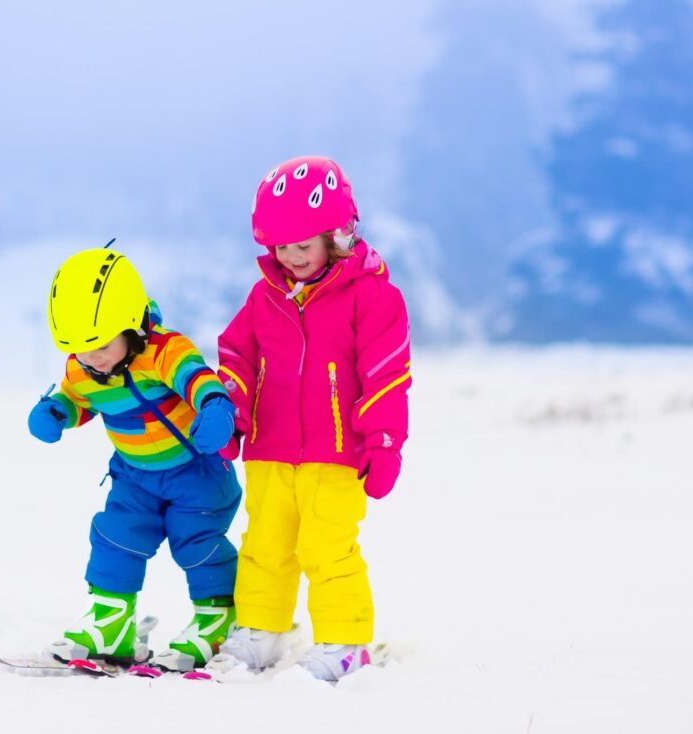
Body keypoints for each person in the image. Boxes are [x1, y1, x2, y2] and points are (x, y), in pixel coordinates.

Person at [210, 156, 412, 682]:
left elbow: (387, 373)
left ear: (337, 234)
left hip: (336, 452)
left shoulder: (372, 298)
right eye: (280, 247)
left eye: (303, 245)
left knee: (327, 548)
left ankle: (345, 641)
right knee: (265, 544)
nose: (291, 257)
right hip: (271, 448)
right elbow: (234, 352)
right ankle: (262, 629)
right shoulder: (265, 296)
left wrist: (384, 442)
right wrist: (231, 414)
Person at [28, 246, 242, 671]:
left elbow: (199, 380)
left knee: (196, 542)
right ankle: (112, 623)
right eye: (77, 349)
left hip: (194, 472)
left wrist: (216, 407)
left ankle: (219, 618)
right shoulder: (83, 368)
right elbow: (78, 398)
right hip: (134, 478)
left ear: (130, 323)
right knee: (114, 537)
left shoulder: (165, 351)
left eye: (100, 346)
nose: (92, 359)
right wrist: (57, 412)